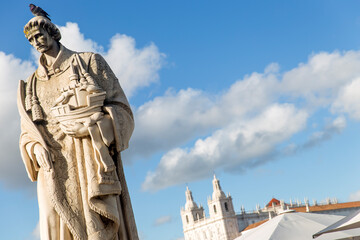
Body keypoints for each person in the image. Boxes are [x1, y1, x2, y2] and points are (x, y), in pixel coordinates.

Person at [18, 15, 139, 240]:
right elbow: (27, 133)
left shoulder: (89, 62)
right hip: (52, 168)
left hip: (88, 159)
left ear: (52, 33)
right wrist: (34, 149)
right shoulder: (31, 84)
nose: (37, 41)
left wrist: (95, 128)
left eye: (39, 35)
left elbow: (122, 110)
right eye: (31, 39)